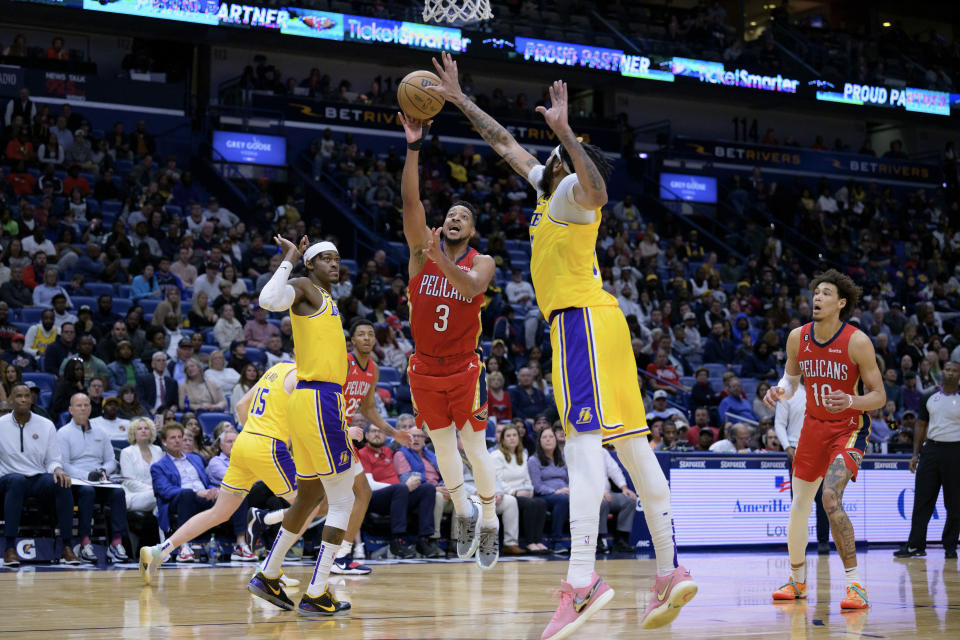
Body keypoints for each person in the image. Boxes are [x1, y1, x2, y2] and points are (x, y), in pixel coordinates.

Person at [429, 55, 695, 637]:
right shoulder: (547, 191)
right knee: (632, 447)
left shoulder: (573, 193)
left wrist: (567, 134)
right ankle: (669, 571)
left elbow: (600, 190)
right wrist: (457, 97)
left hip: (580, 325)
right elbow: (503, 143)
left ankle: (580, 582)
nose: (541, 157)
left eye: (550, 156)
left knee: (582, 445)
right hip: (603, 327)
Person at [398, 110, 500, 569]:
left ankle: (491, 518)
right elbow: (411, 204)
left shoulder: (483, 261)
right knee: (442, 447)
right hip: (423, 367)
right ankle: (463, 512)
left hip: (464, 368)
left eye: (463, 217)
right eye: (450, 215)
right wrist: (413, 147)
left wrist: (440, 253)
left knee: (474, 446)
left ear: (472, 230)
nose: (454, 219)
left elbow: (470, 289)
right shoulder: (422, 256)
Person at [765, 269, 885, 610]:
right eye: (815, 292)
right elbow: (790, 382)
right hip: (813, 429)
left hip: (849, 429)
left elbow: (879, 396)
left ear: (841, 303)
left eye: (826, 293)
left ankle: (854, 585)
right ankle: (797, 581)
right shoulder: (797, 338)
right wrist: (780, 391)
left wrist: (851, 401)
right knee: (799, 507)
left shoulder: (857, 341)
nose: (817, 298)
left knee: (830, 496)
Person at [251, 236, 357, 616]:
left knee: (310, 496)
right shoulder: (304, 287)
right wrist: (290, 259)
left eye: (337, 258)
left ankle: (269, 573)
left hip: (314, 402)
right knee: (346, 498)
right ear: (310, 264)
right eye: (325, 258)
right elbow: (267, 300)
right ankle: (317, 591)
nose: (334, 263)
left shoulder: (326, 297)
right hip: (319, 399)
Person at [314, 318, 411, 575]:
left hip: (345, 437)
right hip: (332, 433)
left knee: (353, 496)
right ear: (353, 340)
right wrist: (343, 429)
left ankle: (341, 554)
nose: (367, 338)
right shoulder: (344, 362)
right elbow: (327, 399)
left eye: (370, 334)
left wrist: (394, 432)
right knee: (328, 501)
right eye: (361, 334)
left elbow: (367, 409)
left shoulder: (374, 370)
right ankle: (275, 522)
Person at [148, 421, 252, 564]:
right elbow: (165, 491)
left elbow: (206, 481)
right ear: (164, 442)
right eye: (173, 438)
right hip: (179, 500)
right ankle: (183, 546)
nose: (178, 441)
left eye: (180, 437)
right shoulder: (158, 466)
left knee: (237, 493)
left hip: (204, 497)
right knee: (187, 494)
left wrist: (212, 490)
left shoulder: (196, 458)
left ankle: (240, 545)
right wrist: (196, 493)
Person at [0, 383, 80, 566]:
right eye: (18, 396)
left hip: (37, 477)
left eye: (26, 396)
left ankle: (66, 546)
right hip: (8, 478)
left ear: (32, 399)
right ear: (11, 400)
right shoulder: (1, 425)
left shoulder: (46, 425)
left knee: (63, 483)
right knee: (17, 481)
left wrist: (58, 469)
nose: (23, 399)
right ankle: (10, 547)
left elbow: (52, 459)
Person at [894, 360, 960, 559]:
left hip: (955, 450)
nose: (949, 373)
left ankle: (950, 546)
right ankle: (915, 546)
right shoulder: (929, 396)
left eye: (954, 370)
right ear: (942, 372)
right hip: (930, 450)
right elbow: (921, 426)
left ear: (959, 375)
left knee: (955, 503)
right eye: (947, 369)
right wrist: (915, 455)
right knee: (922, 501)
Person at [57, 393, 130, 563]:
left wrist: (103, 470)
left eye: (86, 405)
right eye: (79, 405)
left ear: (90, 408)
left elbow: (111, 460)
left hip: (99, 480)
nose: (83, 408)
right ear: (71, 410)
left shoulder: (101, 433)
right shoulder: (63, 433)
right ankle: (85, 543)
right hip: (76, 484)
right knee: (87, 491)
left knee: (119, 493)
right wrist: (86, 475)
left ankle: (116, 543)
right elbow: (64, 464)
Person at [357, 422, 435, 559]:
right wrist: (403, 487)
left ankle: (424, 540)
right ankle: (397, 541)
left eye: (380, 432)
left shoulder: (389, 451)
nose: (377, 434)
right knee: (400, 488)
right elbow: (369, 484)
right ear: (367, 435)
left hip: (398, 496)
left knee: (427, 489)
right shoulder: (362, 454)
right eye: (374, 431)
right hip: (374, 498)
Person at [773, 377, 830, 554]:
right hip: (797, 452)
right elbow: (779, 424)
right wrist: (787, 447)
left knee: (823, 499)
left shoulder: (822, 394)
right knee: (798, 503)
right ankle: (797, 544)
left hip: (819, 453)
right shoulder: (787, 394)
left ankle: (823, 541)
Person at [491, 424, 549, 552]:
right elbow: (498, 480)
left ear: (519, 438)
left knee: (540, 502)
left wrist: (529, 491)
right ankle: (529, 542)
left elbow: (527, 478)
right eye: (508, 436)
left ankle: (537, 541)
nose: (512, 438)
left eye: (514, 435)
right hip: (508, 494)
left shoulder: (522, 455)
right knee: (530, 504)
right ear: (502, 439)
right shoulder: (496, 456)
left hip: (523, 492)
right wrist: (515, 492)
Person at [119, 417, 163, 515]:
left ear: (151, 431)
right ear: (133, 433)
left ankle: (164, 529)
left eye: (146, 428)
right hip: (134, 495)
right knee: (162, 496)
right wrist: (154, 490)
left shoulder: (158, 450)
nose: (143, 431)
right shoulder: (127, 452)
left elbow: (161, 476)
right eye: (139, 429)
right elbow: (129, 482)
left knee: (161, 504)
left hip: (157, 494)